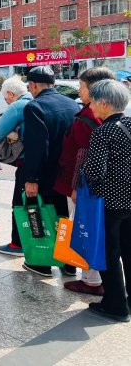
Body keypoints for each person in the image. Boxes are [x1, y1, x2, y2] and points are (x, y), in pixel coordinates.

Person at [56, 68, 114, 295]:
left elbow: (83, 157)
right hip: (102, 187)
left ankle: (91, 280)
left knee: (86, 229)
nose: (79, 91)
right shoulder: (109, 115)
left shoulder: (89, 118)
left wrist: (75, 188)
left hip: (84, 187)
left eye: (81, 86)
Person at [22, 66, 79, 277]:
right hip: (68, 175)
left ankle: (43, 263)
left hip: (46, 174)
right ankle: (68, 263)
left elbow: (37, 147)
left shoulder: (34, 107)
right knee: (64, 219)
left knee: (43, 216)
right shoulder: (72, 103)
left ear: (33, 85)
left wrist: (32, 178)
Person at [82, 79, 131, 322]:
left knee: (109, 254)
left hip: (110, 203)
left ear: (104, 103)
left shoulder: (103, 132)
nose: (90, 107)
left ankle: (115, 305)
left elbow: (94, 172)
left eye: (92, 102)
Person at [0, 76, 33, 257]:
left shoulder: (18, 106)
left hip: (26, 161)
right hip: (48, 162)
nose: (6, 101)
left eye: (6, 98)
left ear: (10, 93)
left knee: (20, 203)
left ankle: (18, 244)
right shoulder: (37, 101)